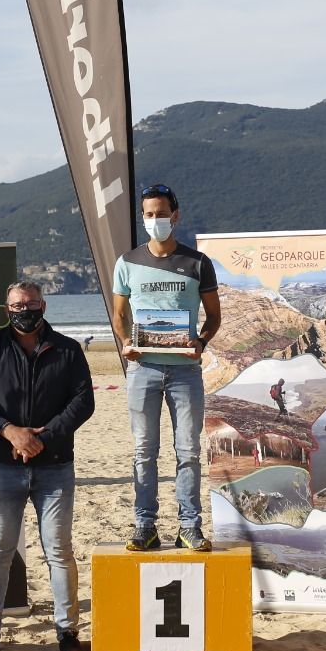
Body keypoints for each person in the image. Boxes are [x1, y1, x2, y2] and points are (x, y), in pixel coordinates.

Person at [0, 281, 95, 651]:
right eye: (18, 306)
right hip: (2, 465)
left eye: (31, 304)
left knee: (59, 552)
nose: (25, 311)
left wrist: (42, 438)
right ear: (7, 310)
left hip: (55, 466)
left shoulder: (67, 349)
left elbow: (83, 402)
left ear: (44, 306)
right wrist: (10, 432)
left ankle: (68, 635)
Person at [112, 183, 221, 552]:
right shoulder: (127, 262)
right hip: (142, 369)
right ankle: (145, 526)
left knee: (188, 452)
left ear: (175, 215)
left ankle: (189, 526)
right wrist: (125, 343)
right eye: (149, 214)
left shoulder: (197, 263)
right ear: (142, 218)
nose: (155, 220)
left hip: (185, 373)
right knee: (144, 452)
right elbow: (119, 315)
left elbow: (214, 316)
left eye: (161, 213)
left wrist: (201, 342)